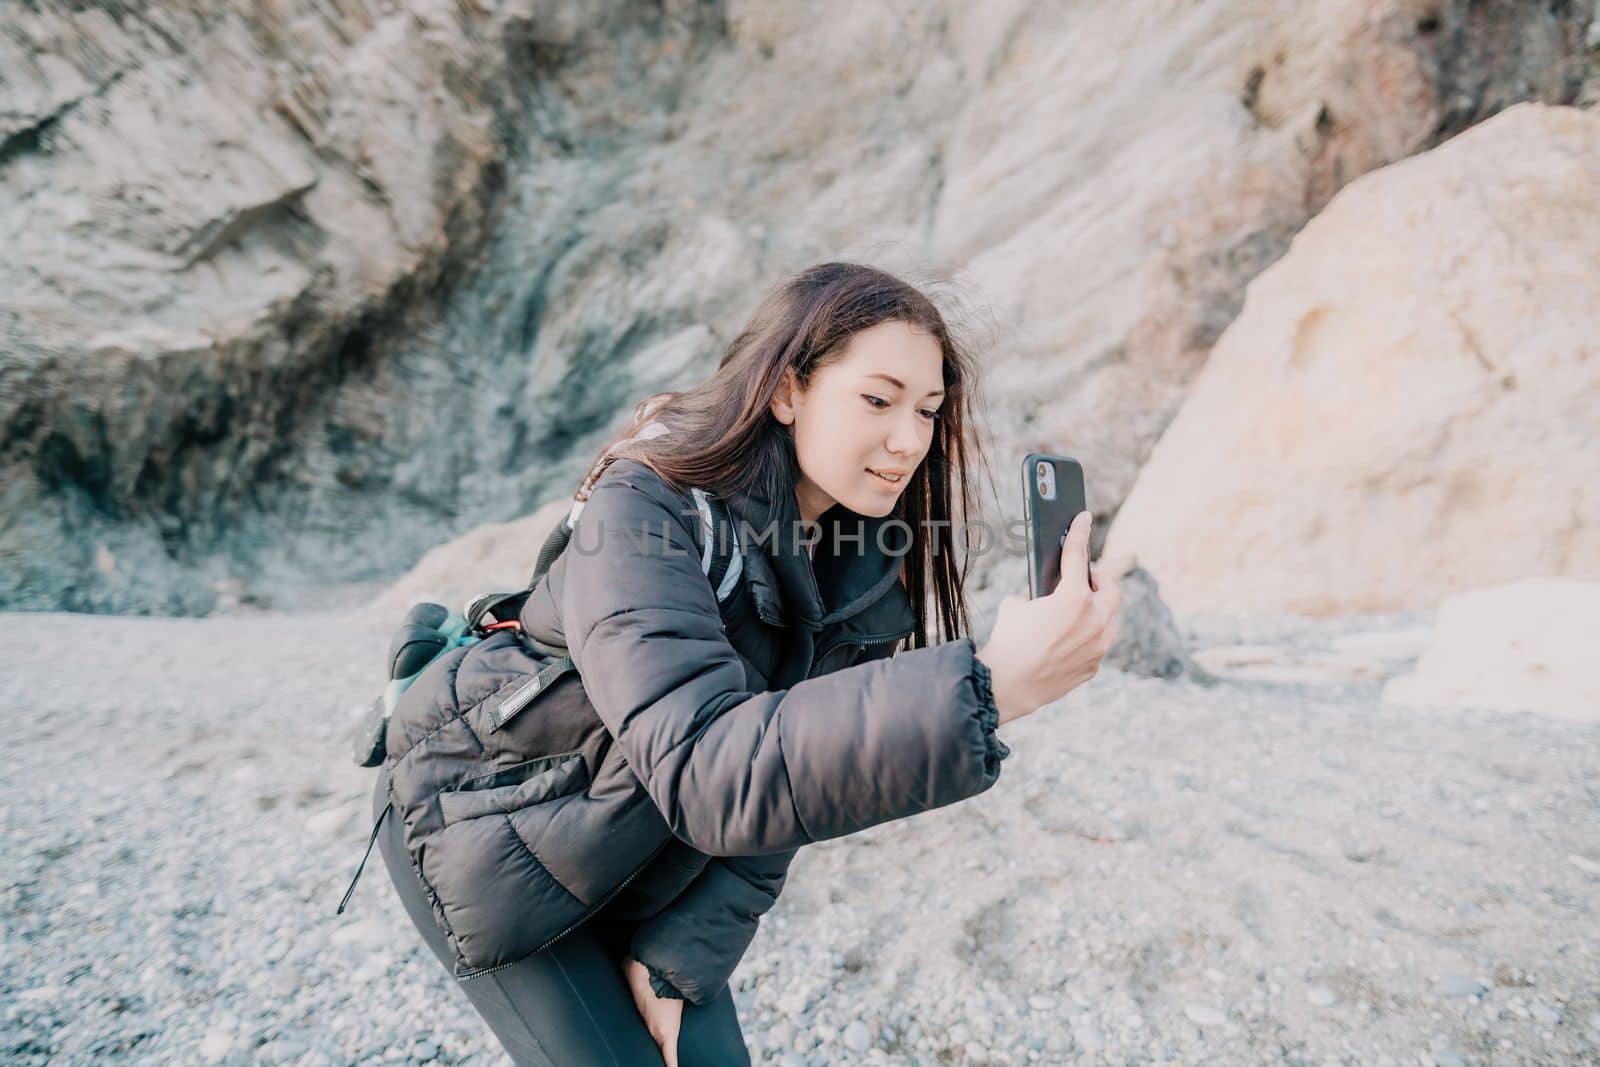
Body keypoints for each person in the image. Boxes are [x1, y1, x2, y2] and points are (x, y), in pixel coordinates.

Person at [370, 262, 1124, 1065]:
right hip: (491, 830)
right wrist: (987, 686)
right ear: (787, 390)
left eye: (928, 411)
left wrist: (679, 956)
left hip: (646, 842)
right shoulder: (643, 507)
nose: (909, 439)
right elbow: (706, 762)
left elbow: (793, 791)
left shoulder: (866, 565)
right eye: (877, 399)